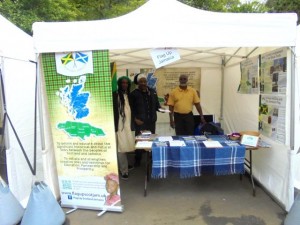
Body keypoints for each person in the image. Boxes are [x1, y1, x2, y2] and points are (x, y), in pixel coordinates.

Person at [130, 73, 163, 166]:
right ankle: (137, 160)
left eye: (145, 81)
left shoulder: (153, 91)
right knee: (140, 141)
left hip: (151, 122)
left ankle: (151, 158)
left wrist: (162, 109)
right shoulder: (133, 94)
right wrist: (134, 119)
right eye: (141, 82)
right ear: (138, 83)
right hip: (140, 122)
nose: (143, 83)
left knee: (151, 140)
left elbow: (157, 105)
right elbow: (130, 110)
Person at [113, 76, 135, 180]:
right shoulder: (115, 95)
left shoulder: (129, 95)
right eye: (122, 83)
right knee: (121, 147)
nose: (124, 85)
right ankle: (124, 170)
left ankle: (125, 165)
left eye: (126, 83)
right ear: (119, 84)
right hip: (119, 125)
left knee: (127, 144)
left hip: (128, 125)